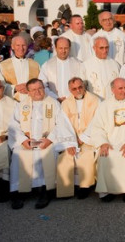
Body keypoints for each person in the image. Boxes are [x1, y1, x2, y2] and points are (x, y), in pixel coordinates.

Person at [8, 79, 77, 210]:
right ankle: (18, 193)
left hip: (47, 141)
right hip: (27, 142)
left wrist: (49, 140)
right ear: (28, 92)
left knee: (48, 154)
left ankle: (45, 191)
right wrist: (23, 140)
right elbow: (13, 125)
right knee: (17, 155)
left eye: (40, 88)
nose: (38, 92)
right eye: (33, 89)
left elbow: (61, 124)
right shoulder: (21, 105)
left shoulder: (53, 104)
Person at [89, 78, 125, 202]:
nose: (124, 91)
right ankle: (106, 191)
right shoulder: (104, 105)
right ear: (112, 90)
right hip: (109, 141)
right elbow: (97, 127)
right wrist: (103, 143)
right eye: (120, 88)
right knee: (104, 155)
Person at [59, 77, 100, 199]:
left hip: (89, 138)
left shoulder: (95, 100)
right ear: (69, 90)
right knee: (65, 156)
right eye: (74, 89)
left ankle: (84, 186)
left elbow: (96, 121)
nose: (78, 90)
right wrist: (71, 142)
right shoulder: (65, 103)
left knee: (86, 155)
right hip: (72, 138)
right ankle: (66, 187)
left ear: (84, 86)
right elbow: (63, 123)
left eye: (80, 87)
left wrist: (83, 138)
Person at [0, 36, 41, 102]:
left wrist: (31, 88)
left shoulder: (35, 65)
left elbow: (41, 83)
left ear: (27, 46)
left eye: (23, 45)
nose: (21, 48)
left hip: (31, 101)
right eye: (18, 45)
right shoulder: (3, 65)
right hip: (11, 102)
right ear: (12, 46)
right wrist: (15, 88)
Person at [39, 37, 84, 102]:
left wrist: (71, 97)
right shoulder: (47, 65)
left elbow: (82, 83)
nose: (63, 51)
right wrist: (55, 97)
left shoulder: (78, 64)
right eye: (60, 48)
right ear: (56, 48)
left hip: (74, 100)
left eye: (66, 48)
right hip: (53, 101)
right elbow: (42, 85)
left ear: (70, 48)